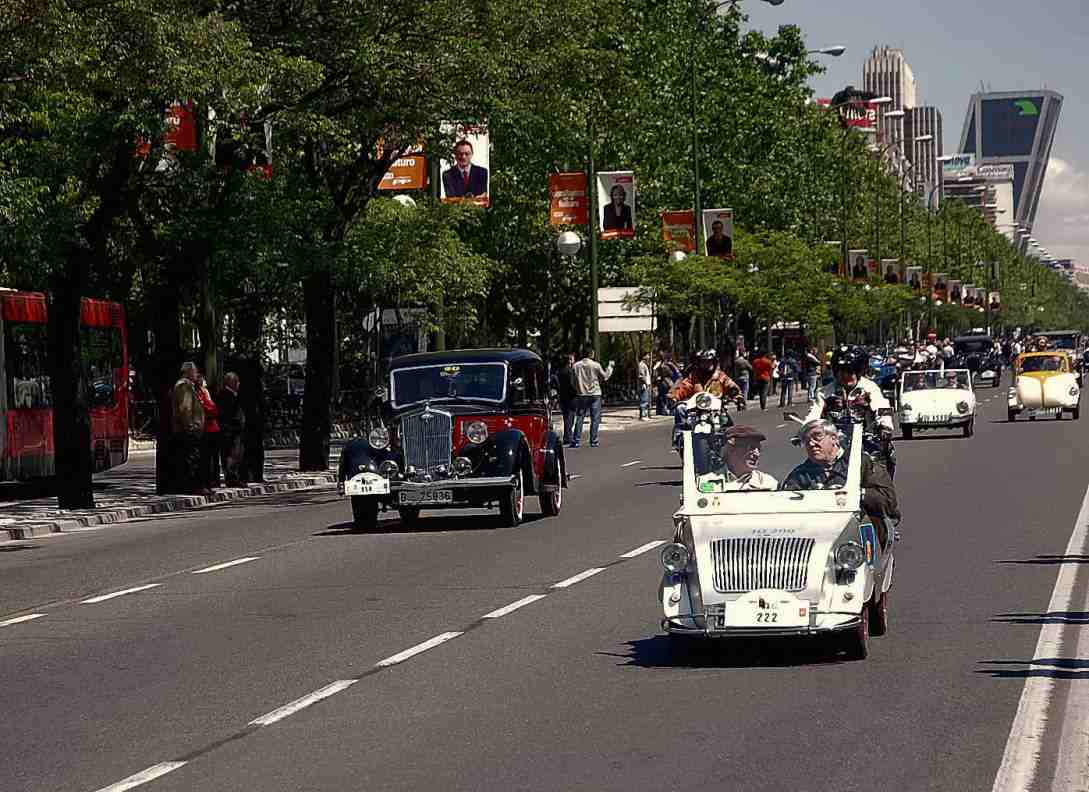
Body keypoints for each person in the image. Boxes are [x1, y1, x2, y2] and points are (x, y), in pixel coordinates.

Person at [781, 419, 899, 545]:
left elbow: (888, 501)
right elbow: (785, 505)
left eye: (817, 437)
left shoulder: (861, 463)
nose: (811, 443)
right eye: (806, 440)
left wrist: (857, 494)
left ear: (834, 438)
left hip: (859, 533)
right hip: (817, 536)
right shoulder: (800, 474)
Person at [804, 344, 895, 475]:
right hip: (835, 443)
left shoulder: (870, 388)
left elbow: (882, 407)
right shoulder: (825, 392)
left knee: (880, 471)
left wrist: (886, 426)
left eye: (850, 371)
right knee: (810, 470)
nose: (845, 376)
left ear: (859, 371)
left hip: (867, 441)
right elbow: (813, 413)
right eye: (841, 372)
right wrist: (804, 431)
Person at [669, 350, 739, 448]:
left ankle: (732, 445)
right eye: (704, 362)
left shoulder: (721, 376)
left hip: (716, 408)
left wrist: (737, 396)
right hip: (697, 407)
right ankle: (680, 439)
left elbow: (731, 385)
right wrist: (674, 397)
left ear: (714, 362)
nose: (706, 364)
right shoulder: (693, 376)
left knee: (727, 423)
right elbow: (684, 386)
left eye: (709, 361)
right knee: (680, 408)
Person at [697, 426, 778, 491]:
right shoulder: (705, 483)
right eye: (750, 447)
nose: (757, 454)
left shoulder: (768, 483)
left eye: (759, 449)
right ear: (730, 449)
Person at [172, 362, 207, 496]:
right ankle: (193, 486)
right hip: (187, 430)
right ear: (188, 372)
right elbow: (185, 409)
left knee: (195, 458)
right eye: (195, 371)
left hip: (192, 429)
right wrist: (191, 427)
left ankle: (196, 485)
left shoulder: (189, 386)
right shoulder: (183, 386)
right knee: (191, 459)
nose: (197, 374)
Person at [572, 348, 614, 448]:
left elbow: (573, 381)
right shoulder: (595, 365)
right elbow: (605, 376)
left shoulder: (576, 366)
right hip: (595, 393)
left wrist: (578, 389)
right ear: (591, 354)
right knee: (595, 418)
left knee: (580, 417)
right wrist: (610, 367)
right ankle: (593, 440)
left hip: (582, 394)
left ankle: (576, 440)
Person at [217, 371, 246, 486]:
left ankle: (234, 477)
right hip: (230, 431)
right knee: (231, 455)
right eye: (237, 382)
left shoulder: (232, 395)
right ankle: (231, 478)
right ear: (232, 382)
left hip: (234, 431)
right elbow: (228, 415)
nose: (239, 385)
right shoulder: (226, 396)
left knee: (236, 454)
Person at [195, 371, 221, 488]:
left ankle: (213, 480)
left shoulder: (204, 392)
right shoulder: (198, 393)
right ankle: (208, 481)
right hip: (205, 428)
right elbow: (210, 409)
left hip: (212, 428)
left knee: (213, 458)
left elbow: (213, 409)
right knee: (206, 458)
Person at [557, 353, 578, 446]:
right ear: (569, 360)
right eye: (572, 359)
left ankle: (567, 436)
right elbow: (572, 384)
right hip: (571, 397)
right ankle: (568, 437)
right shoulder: (570, 371)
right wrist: (576, 392)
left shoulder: (560, 371)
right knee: (570, 417)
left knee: (566, 417)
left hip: (562, 397)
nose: (573, 361)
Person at [654, 352, 680, 416]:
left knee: (669, 396)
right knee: (662, 397)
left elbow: (676, 373)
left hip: (669, 382)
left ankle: (671, 410)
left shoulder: (669, 364)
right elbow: (656, 374)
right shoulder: (660, 364)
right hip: (663, 382)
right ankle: (663, 410)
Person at [637, 353, 652, 420]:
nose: (648, 356)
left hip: (646, 384)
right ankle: (643, 416)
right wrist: (645, 383)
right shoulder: (641, 365)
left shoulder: (644, 365)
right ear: (643, 356)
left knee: (645, 400)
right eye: (647, 355)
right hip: (644, 385)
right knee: (644, 400)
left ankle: (644, 415)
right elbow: (641, 376)